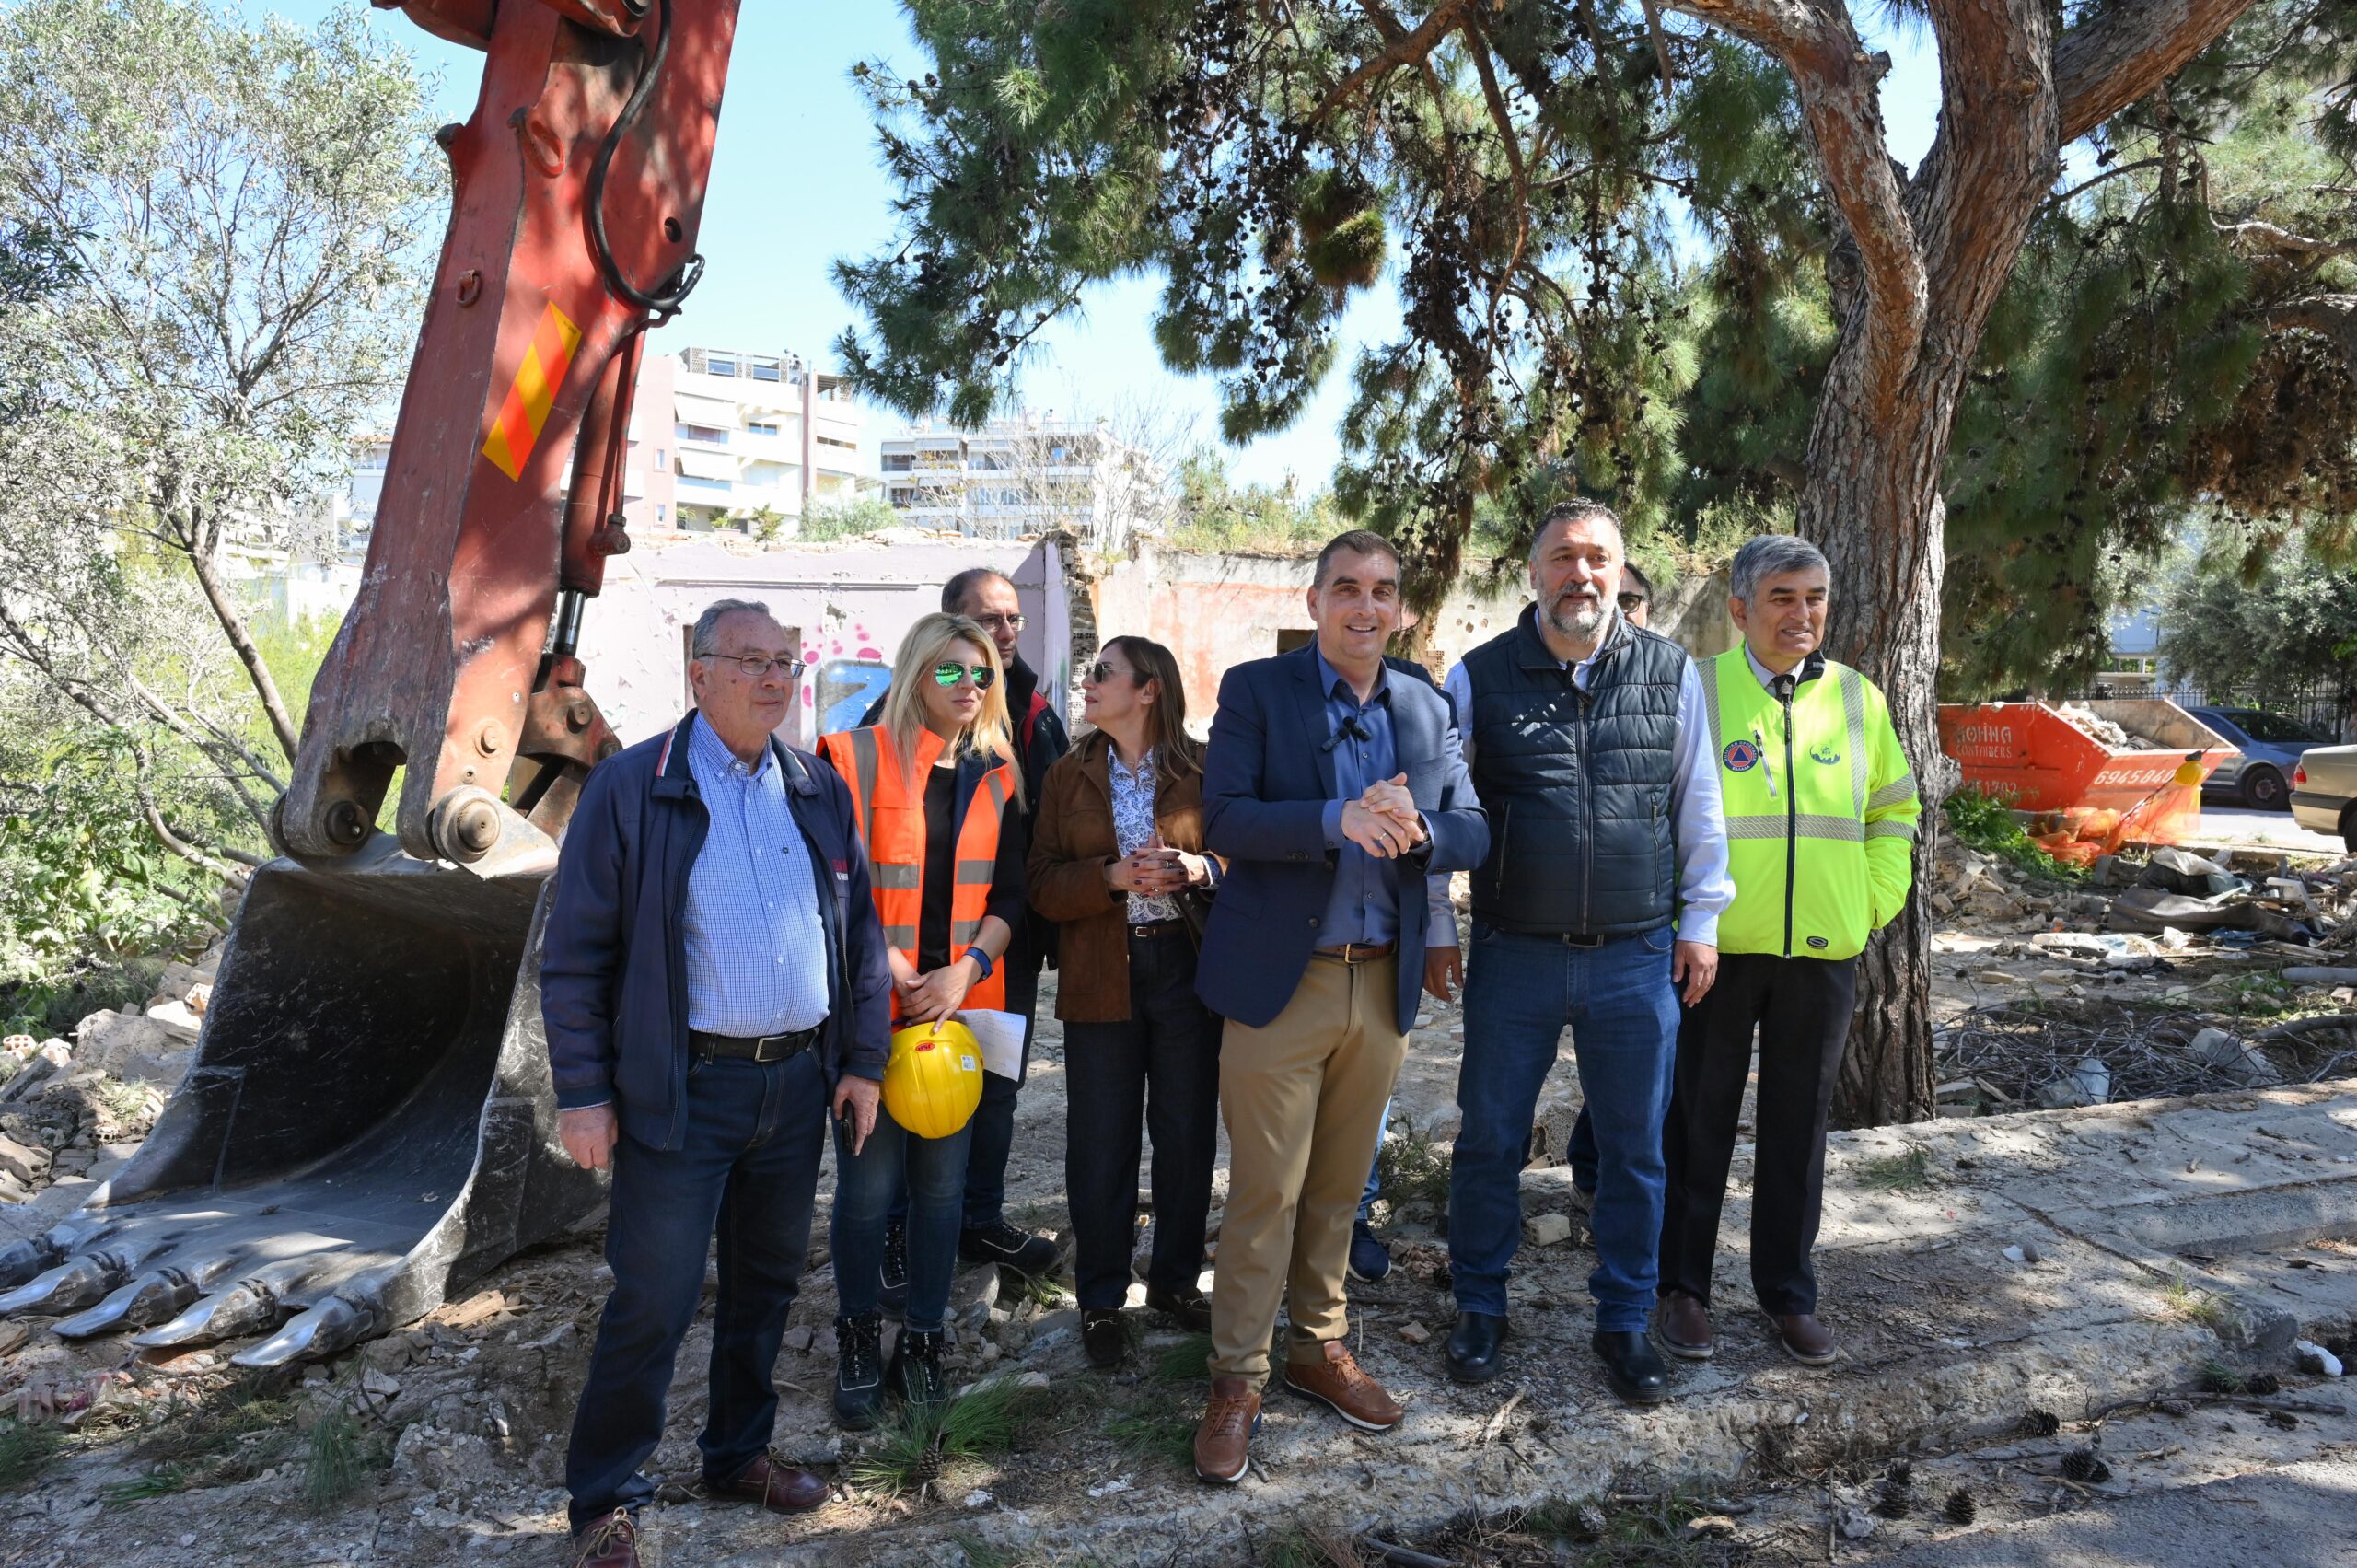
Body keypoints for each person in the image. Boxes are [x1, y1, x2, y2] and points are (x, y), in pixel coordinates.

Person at [541, 599, 893, 1568]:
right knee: (653, 1297)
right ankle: (605, 1500)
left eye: (785, 661)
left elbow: (860, 937)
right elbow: (574, 955)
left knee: (765, 1284)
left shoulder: (815, 786)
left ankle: (736, 1453)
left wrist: (863, 1060)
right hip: (681, 1090)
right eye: (751, 661)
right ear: (698, 673)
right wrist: (583, 1092)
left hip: (796, 1084)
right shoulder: (632, 785)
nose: (774, 679)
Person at [1189, 530, 1488, 1485]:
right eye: (1347, 588)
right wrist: (1336, 816)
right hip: (1284, 978)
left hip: (1382, 981)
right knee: (1267, 1189)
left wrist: (1421, 828)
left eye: (1383, 591)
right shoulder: (1257, 690)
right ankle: (1236, 1378)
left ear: (1401, 608)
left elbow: (1474, 829)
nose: (1366, 606)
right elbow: (1224, 816)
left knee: (1340, 1185)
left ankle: (1316, 1346)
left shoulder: (1425, 702)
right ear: (1314, 600)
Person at [1429, 500, 1733, 1407]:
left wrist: (1701, 920)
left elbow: (1697, 801)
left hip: (1635, 958)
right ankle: (1480, 1306)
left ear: (1619, 570)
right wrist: (1439, 929)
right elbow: (1442, 813)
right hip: (1514, 955)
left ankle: (1624, 1318)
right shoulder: (1479, 677)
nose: (1581, 573)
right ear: (1533, 573)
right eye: (1562, 557)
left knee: (1636, 1149)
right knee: (1488, 1139)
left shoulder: (1669, 673)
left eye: (1597, 557)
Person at [1655, 535, 1920, 1367]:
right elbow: (1660, 812)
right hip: (1716, 952)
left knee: (1799, 1129)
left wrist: (1870, 903)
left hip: (1822, 952)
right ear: (1740, 609)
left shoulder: (1858, 698)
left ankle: (1788, 1293)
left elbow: (1895, 811)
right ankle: (1682, 1289)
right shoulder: (1696, 688)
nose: (1801, 614)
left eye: (1814, 597)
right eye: (1782, 597)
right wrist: (1682, 918)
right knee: (1696, 1121)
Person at [818, 612, 1028, 1427]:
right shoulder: (850, 757)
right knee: (868, 1190)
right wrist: (892, 967)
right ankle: (858, 1337)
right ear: (915, 673)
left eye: (981, 673)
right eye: (949, 670)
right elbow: (832, 884)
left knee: (941, 1192)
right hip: (875, 1010)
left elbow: (1011, 897)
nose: (968, 685)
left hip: (958, 1014)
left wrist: (965, 969)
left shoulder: (999, 773)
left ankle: (925, 1340)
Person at [863, 567, 1068, 1284]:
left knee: (991, 1090)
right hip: (898, 960)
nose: (1004, 633)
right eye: (989, 620)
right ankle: (894, 1234)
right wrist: (892, 961)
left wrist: (990, 956)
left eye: (1013, 619)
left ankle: (977, 1222)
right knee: (899, 1091)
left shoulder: (1032, 714)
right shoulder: (875, 737)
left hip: (997, 953)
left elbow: (1040, 842)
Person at [1027, 636, 1225, 1367]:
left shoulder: (1205, 767)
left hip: (1187, 968)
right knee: (1101, 1140)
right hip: (1099, 969)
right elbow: (1040, 882)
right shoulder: (1066, 773)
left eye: (1102, 673)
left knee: (1186, 1132)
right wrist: (1110, 876)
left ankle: (1174, 1281)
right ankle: (1102, 1299)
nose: (1088, 682)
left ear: (1148, 689)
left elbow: (1242, 861)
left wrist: (1198, 869)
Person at [1562, 557, 1655, 1211]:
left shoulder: (1673, 680)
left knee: (1636, 1092)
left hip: (1652, 933)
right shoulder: (1506, 675)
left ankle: (1618, 1208)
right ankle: (1589, 1176)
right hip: (1538, 936)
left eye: (1632, 599)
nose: (1619, 608)